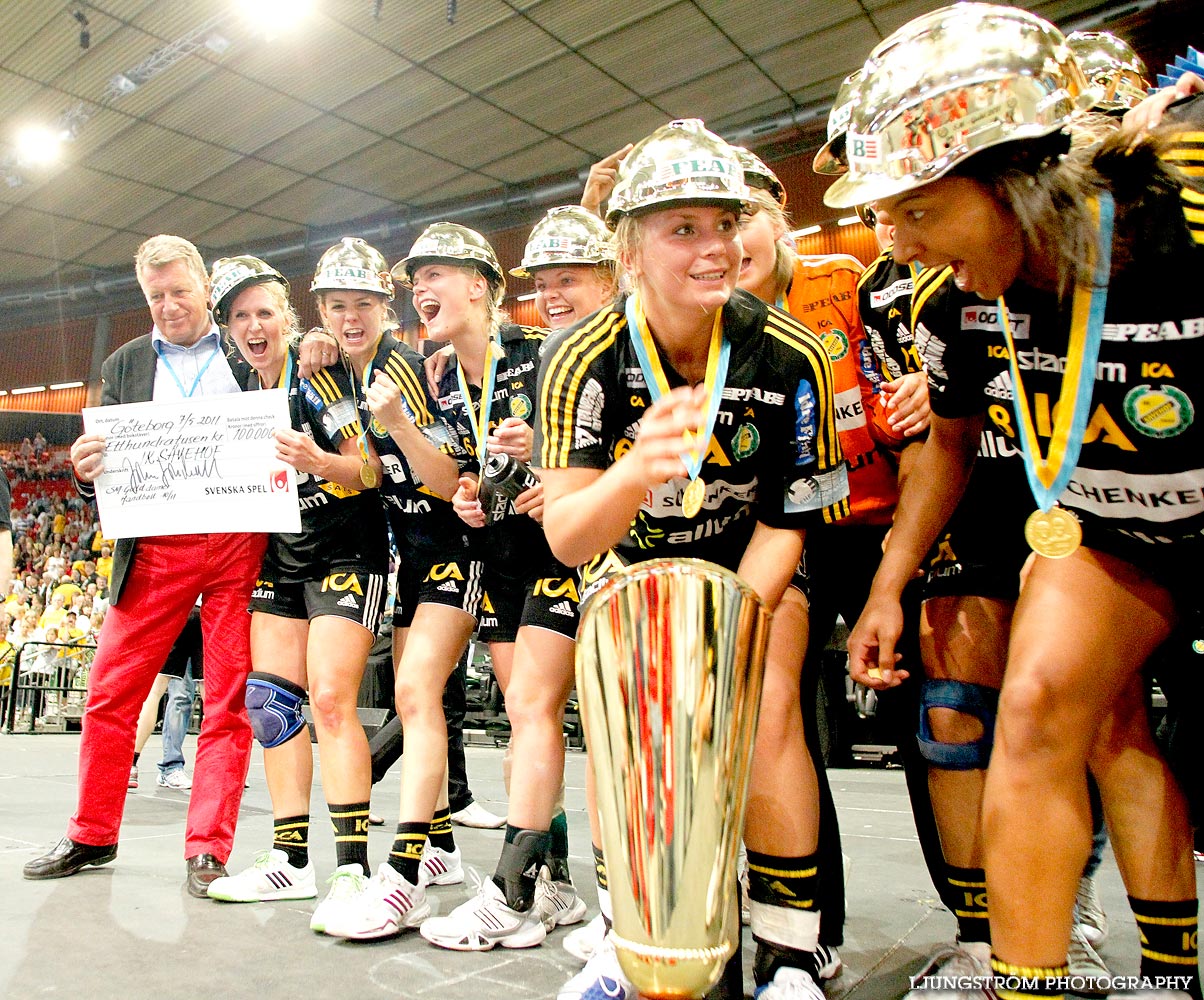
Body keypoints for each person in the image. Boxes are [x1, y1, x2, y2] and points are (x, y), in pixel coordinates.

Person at [830, 6, 1202, 998]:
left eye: (918, 211)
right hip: (1112, 532)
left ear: (1018, 177)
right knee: (1032, 708)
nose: (899, 246)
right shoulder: (953, 300)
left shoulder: (1189, 220)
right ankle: (1027, 979)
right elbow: (946, 451)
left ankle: (1171, 973)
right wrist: (886, 587)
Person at [537, 118, 848, 1000]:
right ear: (630, 253)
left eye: (724, 222)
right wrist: (637, 468)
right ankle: (625, 932)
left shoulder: (792, 354)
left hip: (751, 563)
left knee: (767, 711)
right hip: (627, 571)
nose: (716, 247)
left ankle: (790, 950)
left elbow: (792, 519)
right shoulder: (577, 357)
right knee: (626, 734)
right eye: (684, 229)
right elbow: (568, 536)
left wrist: (729, 626)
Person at [23, 234, 270, 898]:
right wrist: (81, 473)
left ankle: (208, 850)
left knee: (227, 702)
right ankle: (91, 833)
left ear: (206, 291)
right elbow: (102, 465)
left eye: (179, 293)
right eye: (155, 296)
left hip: (241, 542)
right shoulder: (125, 363)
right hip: (154, 547)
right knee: (109, 694)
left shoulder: (252, 354)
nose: (168, 307)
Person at [392, 222, 588, 952]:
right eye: (416, 278)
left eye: (435, 274)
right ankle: (557, 883)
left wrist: (547, 471)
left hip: (564, 553)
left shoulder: (543, 353)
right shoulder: (443, 378)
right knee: (521, 717)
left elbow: (583, 449)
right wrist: (471, 490)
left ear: (480, 285)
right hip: (500, 556)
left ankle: (511, 891)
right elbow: (467, 472)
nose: (421, 289)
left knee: (536, 711)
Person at [288, 238, 478, 941]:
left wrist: (397, 420)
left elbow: (442, 479)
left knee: (417, 695)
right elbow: (371, 472)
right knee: (418, 696)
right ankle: (442, 851)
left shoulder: (403, 367)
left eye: (362, 304)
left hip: (460, 548)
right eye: (335, 307)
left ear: (385, 307)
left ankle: (401, 878)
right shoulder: (342, 370)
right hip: (414, 559)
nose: (348, 318)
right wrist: (315, 345)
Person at [199, 251, 389, 936]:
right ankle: (288, 859)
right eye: (241, 316)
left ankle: (351, 870)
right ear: (229, 330)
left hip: (348, 553)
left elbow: (368, 470)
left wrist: (320, 462)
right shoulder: (231, 399)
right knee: (271, 705)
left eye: (265, 311)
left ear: (287, 317)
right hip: (279, 557)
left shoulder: (319, 377)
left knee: (333, 701)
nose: (255, 326)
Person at [129, 603, 202, 791]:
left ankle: (220, 766)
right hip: (182, 610)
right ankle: (137, 763)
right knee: (167, 694)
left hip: (206, 614)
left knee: (208, 697)